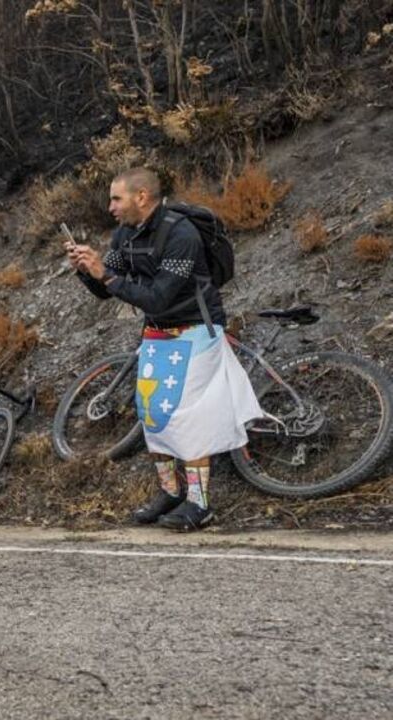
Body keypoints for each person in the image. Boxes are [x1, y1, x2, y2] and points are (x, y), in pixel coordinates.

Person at [67, 167, 262, 531]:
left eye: (116, 198)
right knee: (151, 411)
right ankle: (170, 491)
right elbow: (106, 289)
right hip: (157, 331)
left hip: (196, 329)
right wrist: (87, 271)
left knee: (189, 417)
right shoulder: (125, 233)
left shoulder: (180, 233)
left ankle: (200, 504)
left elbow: (157, 297)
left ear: (141, 197)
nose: (110, 206)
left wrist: (105, 275)